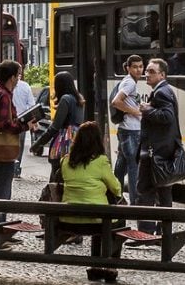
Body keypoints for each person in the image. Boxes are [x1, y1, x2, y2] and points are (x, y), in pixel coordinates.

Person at [57, 120, 123, 282]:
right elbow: (117, 189)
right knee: (118, 218)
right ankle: (110, 266)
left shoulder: (65, 161)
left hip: (69, 220)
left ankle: (95, 267)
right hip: (97, 221)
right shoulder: (101, 161)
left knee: (100, 219)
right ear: (97, 141)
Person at [0, 60, 37, 250]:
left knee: (1, 192)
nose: (19, 79)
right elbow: (3, 125)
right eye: (19, 75)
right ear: (12, 76)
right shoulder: (4, 95)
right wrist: (24, 125)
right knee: (0, 194)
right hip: (2, 151)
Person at [134, 58, 181, 236]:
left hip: (155, 153)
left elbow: (167, 117)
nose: (147, 74)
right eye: (147, 70)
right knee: (164, 192)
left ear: (162, 74)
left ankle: (145, 233)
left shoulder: (161, 92)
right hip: (163, 151)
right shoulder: (165, 90)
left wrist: (147, 110)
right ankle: (164, 232)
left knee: (144, 192)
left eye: (152, 71)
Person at [30, 71, 85, 182]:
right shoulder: (79, 98)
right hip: (77, 139)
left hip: (65, 140)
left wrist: (38, 143)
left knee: (57, 175)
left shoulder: (65, 99)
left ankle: (53, 197)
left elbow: (54, 127)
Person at [111, 55, 143, 205]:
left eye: (141, 66)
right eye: (135, 67)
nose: (139, 70)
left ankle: (114, 196)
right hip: (131, 130)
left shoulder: (127, 81)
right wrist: (135, 112)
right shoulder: (130, 83)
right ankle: (135, 201)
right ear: (128, 68)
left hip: (125, 130)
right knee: (133, 166)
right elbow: (116, 102)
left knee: (121, 165)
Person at [12, 68, 35, 179]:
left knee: (8, 145)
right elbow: (31, 105)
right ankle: (16, 169)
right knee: (19, 146)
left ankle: (10, 168)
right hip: (22, 121)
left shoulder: (4, 86)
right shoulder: (25, 86)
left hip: (10, 120)